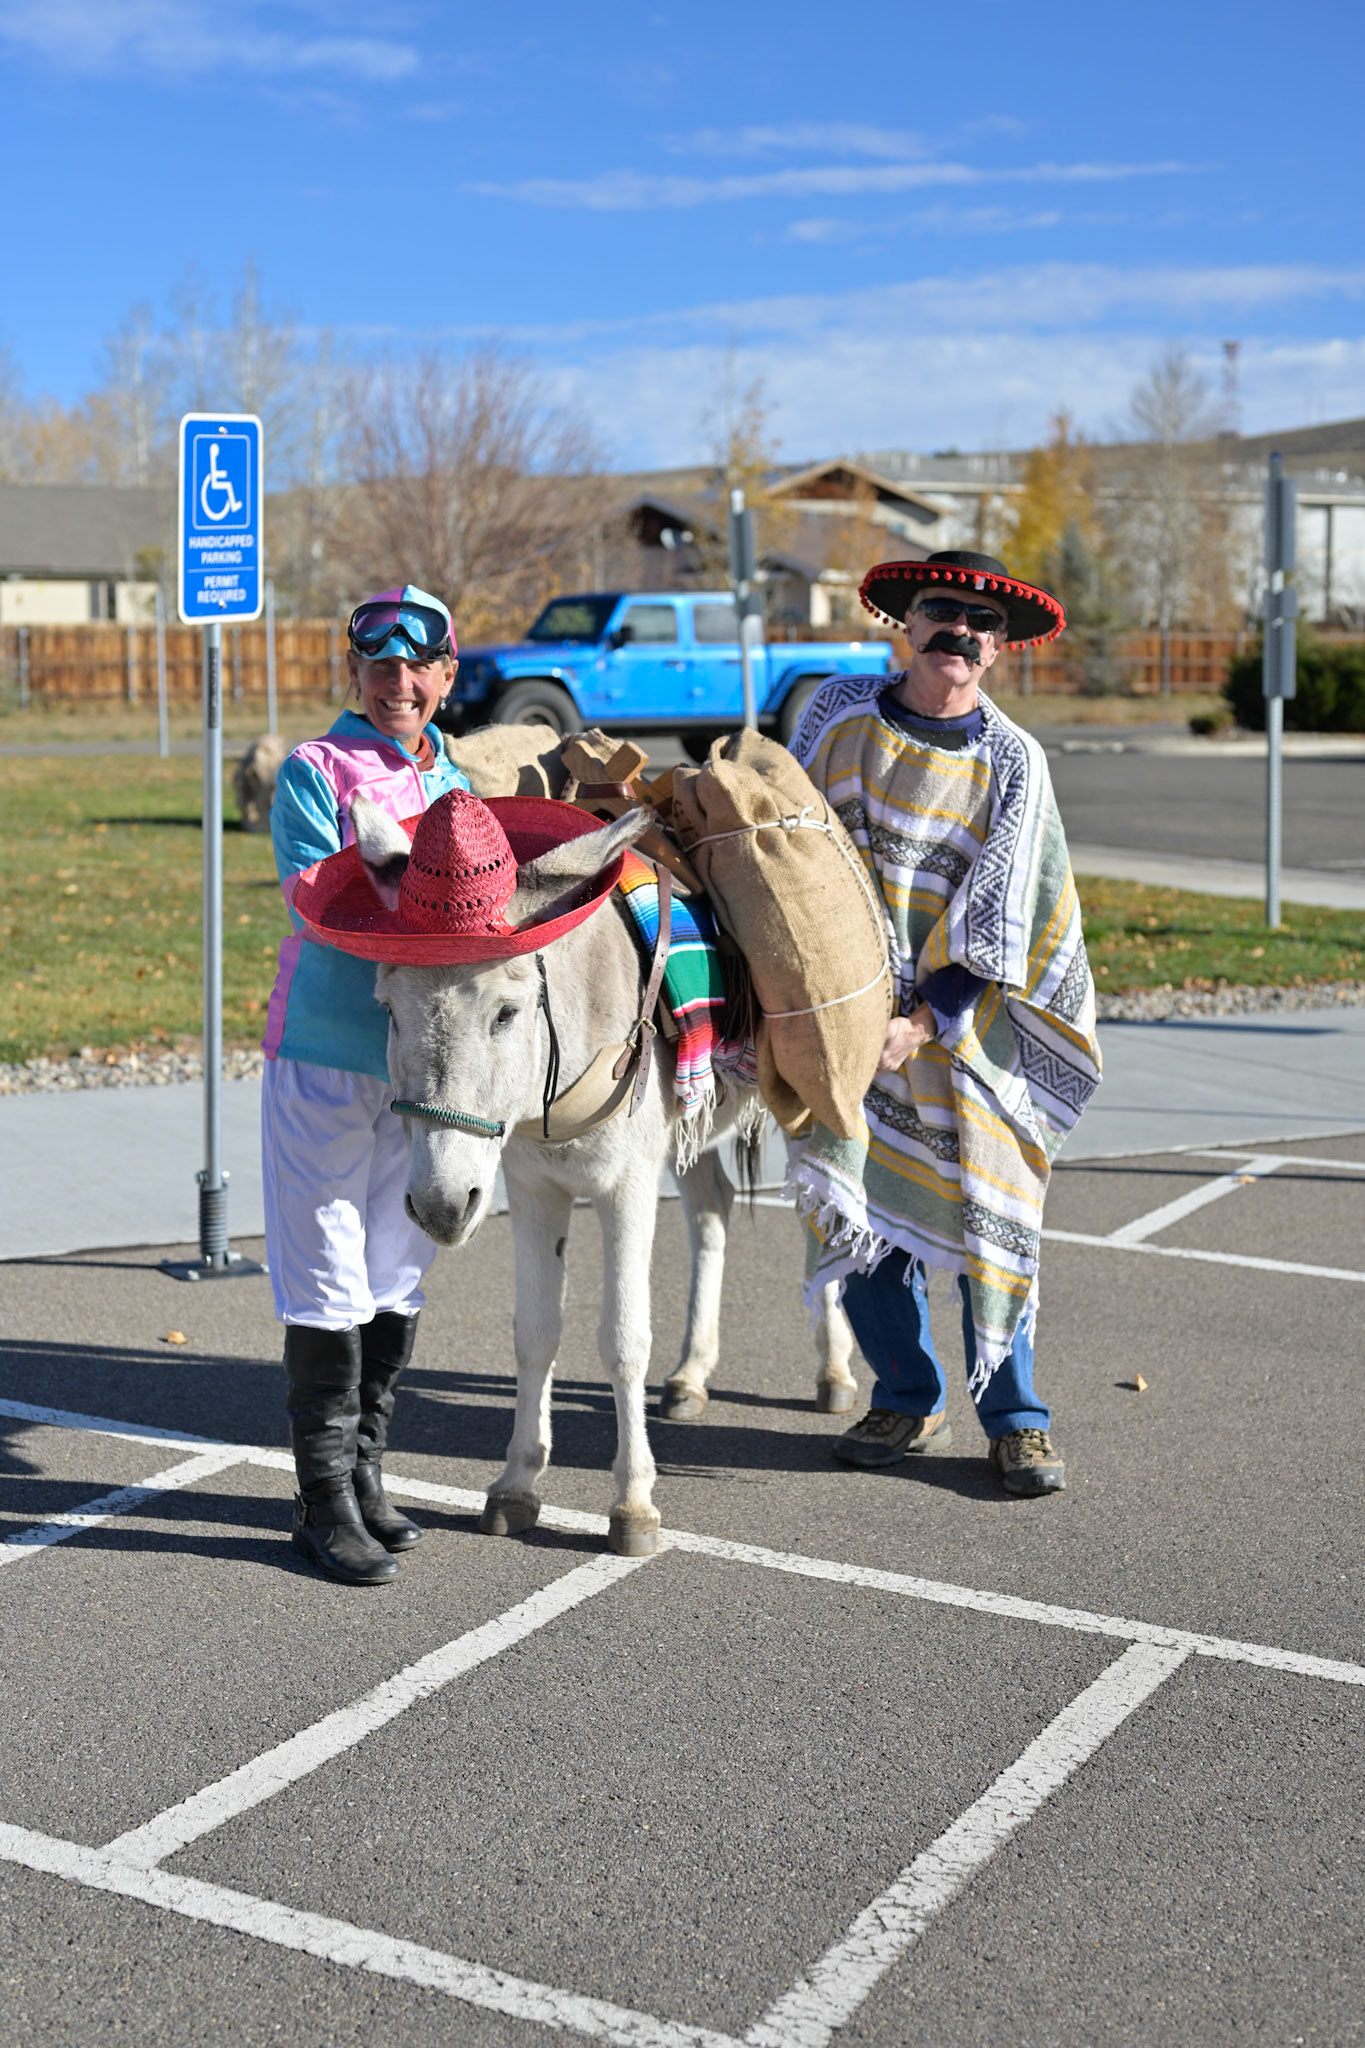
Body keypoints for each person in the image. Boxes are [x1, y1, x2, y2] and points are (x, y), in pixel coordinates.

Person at [789, 549, 1101, 1497]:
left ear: (999, 649)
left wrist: (925, 1017)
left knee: (987, 1217)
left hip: (972, 1027)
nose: (958, 633)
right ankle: (906, 1397)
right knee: (862, 1209)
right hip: (843, 1015)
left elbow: (1009, 909)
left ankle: (1016, 1419)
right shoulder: (835, 713)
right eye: (940, 611)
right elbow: (792, 850)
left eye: (982, 624)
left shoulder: (1012, 758)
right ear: (907, 622)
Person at [261, 585, 471, 1584]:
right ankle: (321, 1503)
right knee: (325, 1262)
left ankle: (365, 1472)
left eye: (417, 665)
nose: (398, 682)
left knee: (395, 1260)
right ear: (354, 672)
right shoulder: (315, 769)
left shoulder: (454, 776)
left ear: (446, 675)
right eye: (379, 665)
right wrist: (435, 904)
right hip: (327, 1050)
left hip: (420, 1062)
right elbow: (320, 897)